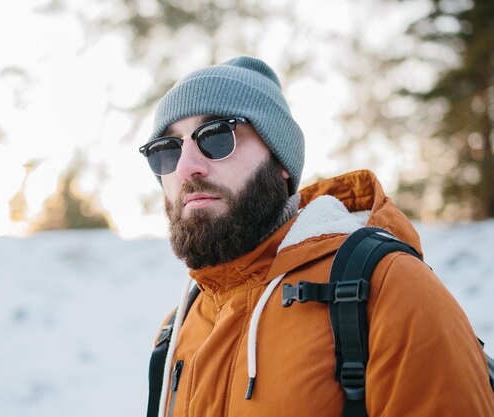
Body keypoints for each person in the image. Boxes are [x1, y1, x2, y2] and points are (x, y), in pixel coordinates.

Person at [138, 56, 494, 417]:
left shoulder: (389, 290)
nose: (185, 167)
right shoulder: (177, 329)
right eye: (167, 150)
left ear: (280, 162)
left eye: (216, 136)